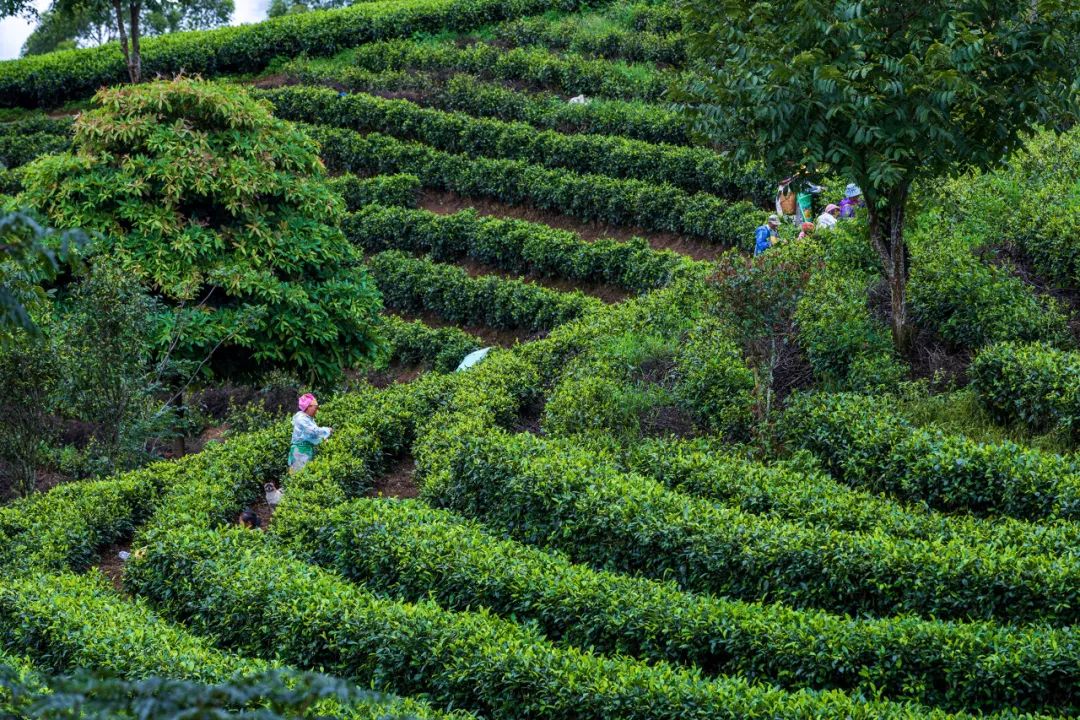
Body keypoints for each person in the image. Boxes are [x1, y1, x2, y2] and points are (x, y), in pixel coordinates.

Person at [289, 393, 332, 473]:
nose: (317, 410)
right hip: (299, 452)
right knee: (298, 475)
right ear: (308, 407)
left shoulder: (308, 419)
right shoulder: (301, 418)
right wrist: (327, 430)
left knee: (305, 474)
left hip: (306, 451)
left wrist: (322, 439)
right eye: (315, 408)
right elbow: (313, 431)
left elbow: (311, 436)